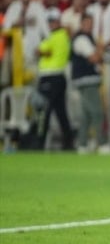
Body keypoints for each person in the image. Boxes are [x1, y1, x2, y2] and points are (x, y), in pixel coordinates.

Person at [32, 8, 74, 150]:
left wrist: (40, 51)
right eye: (49, 21)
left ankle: (39, 143)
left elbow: (42, 51)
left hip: (50, 76)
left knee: (44, 111)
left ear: (58, 21)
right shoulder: (62, 35)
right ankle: (68, 143)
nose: (51, 24)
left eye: (53, 21)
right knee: (61, 112)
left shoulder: (56, 36)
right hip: (59, 77)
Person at [71, 13, 110, 154]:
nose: (89, 26)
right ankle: (102, 143)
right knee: (97, 112)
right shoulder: (81, 39)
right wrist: (100, 50)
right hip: (86, 80)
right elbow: (93, 58)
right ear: (81, 24)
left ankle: (82, 144)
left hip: (89, 79)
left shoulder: (89, 38)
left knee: (86, 114)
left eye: (91, 23)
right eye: (87, 23)